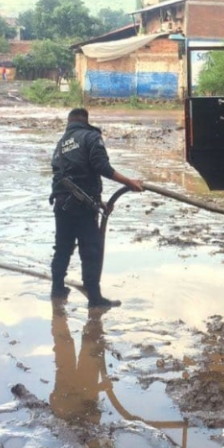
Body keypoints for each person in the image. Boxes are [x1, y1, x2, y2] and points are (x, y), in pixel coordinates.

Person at [50, 108, 144, 308]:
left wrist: (96, 200)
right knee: (91, 249)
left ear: (69, 122)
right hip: (82, 208)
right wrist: (129, 182)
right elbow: (102, 167)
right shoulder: (91, 137)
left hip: (61, 204)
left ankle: (57, 290)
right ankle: (95, 299)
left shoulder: (61, 144)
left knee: (62, 248)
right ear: (85, 120)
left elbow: (65, 174)